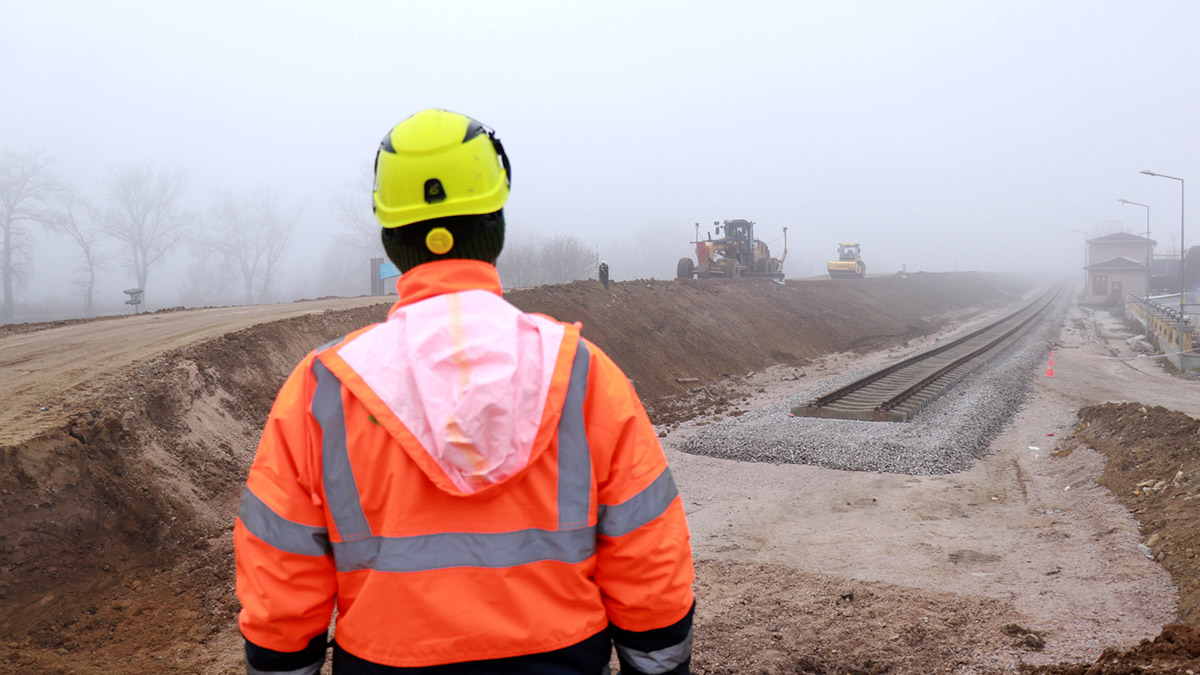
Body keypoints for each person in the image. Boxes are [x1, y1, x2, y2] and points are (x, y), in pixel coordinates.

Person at [234, 109, 695, 675]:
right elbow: (648, 559)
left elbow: (281, 579)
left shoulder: (323, 389)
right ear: (495, 225)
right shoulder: (581, 374)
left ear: (390, 238)